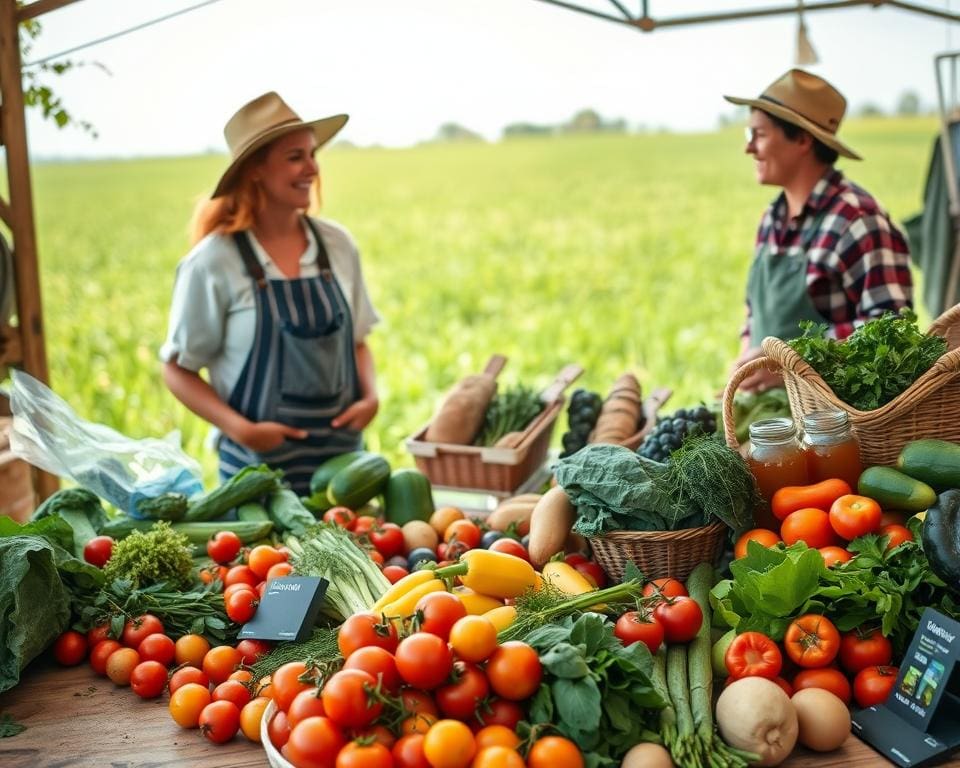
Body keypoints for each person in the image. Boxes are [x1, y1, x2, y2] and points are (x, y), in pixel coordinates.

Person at [160, 92, 380, 494]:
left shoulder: (337, 246)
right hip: (258, 482)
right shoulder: (214, 262)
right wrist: (242, 429)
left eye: (313, 154)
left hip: (346, 477)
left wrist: (371, 398)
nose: (313, 168)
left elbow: (359, 341)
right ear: (256, 169)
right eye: (296, 157)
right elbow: (176, 369)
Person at [724, 69, 913, 392]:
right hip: (771, 414)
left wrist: (792, 362)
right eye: (748, 135)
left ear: (802, 140)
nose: (749, 148)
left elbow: (892, 334)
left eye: (760, 135)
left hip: (833, 423)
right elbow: (755, 313)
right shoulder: (772, 217)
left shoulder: (857, 220)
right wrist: (747, 358)